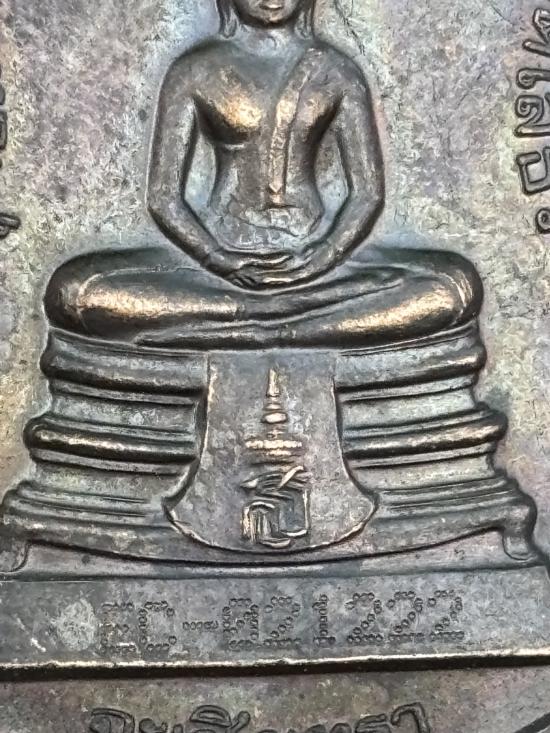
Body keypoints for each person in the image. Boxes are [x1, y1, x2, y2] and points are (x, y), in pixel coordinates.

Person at [45, 0, 482, 348]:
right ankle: (294, 329)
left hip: (317, 264)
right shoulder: (196, 70)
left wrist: (322, 257)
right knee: (76, 292)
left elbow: (367, 193)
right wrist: (218, 260)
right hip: (219, 262)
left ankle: (247, 329)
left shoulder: (335, 71)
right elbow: (163, 197)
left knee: (451, 288)